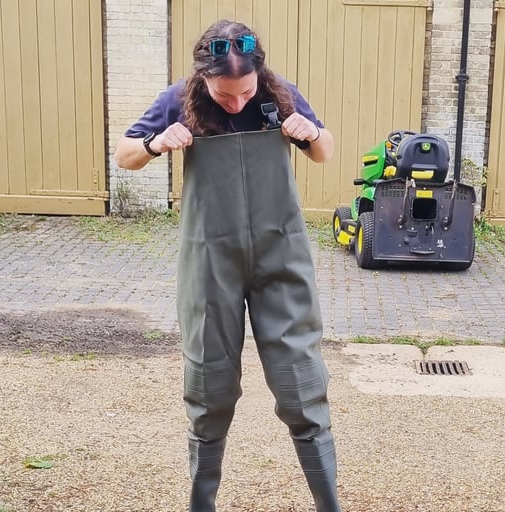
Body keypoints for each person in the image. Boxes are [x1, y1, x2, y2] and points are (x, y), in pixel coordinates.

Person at [115, 19, 342, 512]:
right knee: (209, 387)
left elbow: (325, 153)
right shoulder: (178, 99)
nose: (236, 103)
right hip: (209, 259)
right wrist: (156, 144)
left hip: (281, 256)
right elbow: (124, 155)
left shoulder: (280, 94)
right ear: (204, 79)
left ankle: (330, 505)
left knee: (301, 387)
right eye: (224, 95)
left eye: (244, 93)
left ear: (259, 75)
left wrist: (311, 131)